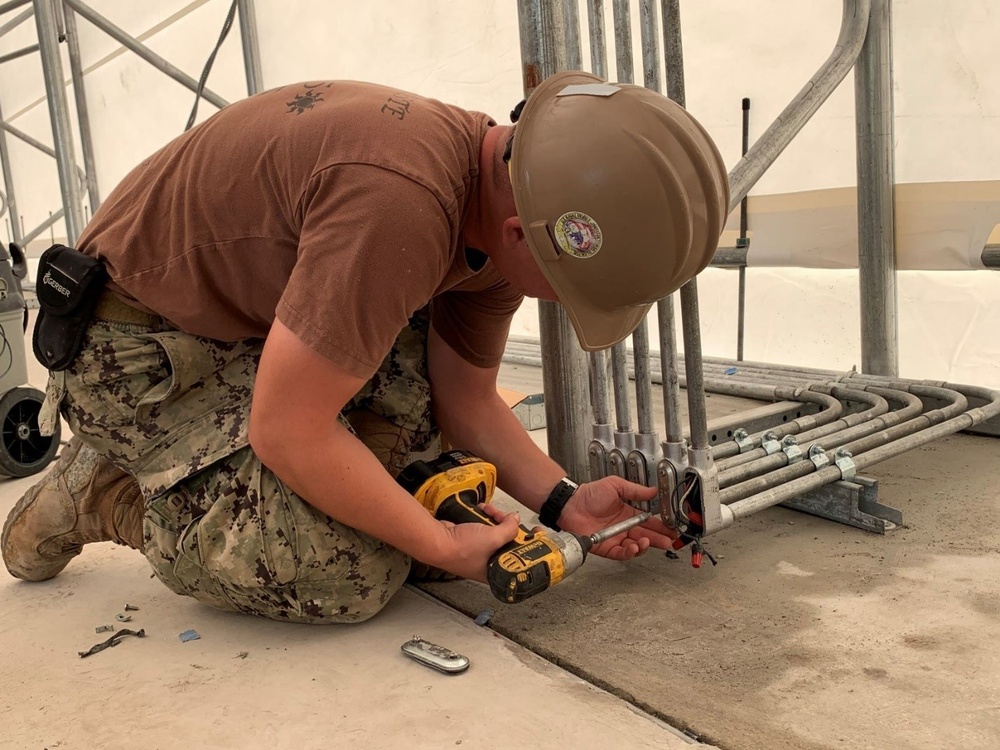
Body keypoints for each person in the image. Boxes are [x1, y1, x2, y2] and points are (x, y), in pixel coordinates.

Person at [1, 70, 729, 623]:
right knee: (349, 569)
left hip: (242, 330)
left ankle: (231, 478)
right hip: (130, 351)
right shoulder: (402, 205)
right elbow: (288, 427)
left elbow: (465, 399)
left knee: (417, 475)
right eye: (569, 289)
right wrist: (437, 546)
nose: (561, 304)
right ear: (524, 234)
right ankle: (109, 492)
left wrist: (565, 501)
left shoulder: (508, 201)